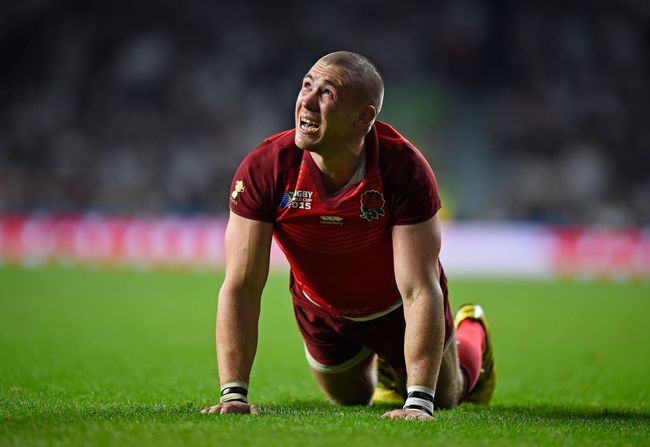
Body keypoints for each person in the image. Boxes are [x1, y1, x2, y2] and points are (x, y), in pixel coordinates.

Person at [201, 51, 495, 420]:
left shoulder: (404, 170)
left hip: (395, 310)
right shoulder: (266, 167)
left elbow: (420, 288)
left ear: (364, 117)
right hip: (319, 309)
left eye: (327, 93)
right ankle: (392, 368)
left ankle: (472, 331)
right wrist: (234, 395)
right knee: (350, 399)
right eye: (307, 85)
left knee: (447, 395)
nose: (306, 100)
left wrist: (419, 401)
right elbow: (241, 285)